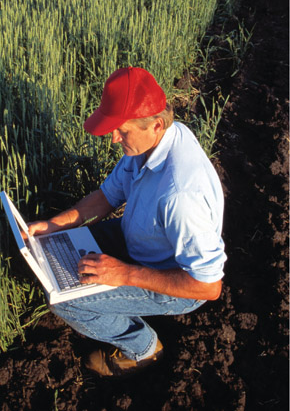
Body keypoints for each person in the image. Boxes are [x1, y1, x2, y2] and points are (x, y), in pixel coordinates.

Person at [28, 67, 226, 377]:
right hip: (138, 238)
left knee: (66, 303)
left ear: (156, 124)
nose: (112, 139)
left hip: (173, 280)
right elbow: (107, 196)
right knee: (59, 246)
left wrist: (125, 274)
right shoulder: (150, 143)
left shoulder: (180, 196)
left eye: (122, 130)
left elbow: (208, 285)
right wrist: (56, 225)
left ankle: (144, 348)